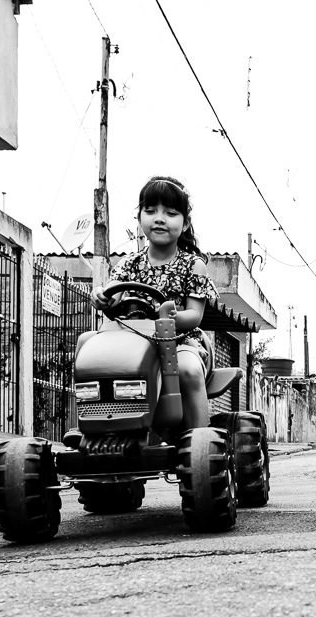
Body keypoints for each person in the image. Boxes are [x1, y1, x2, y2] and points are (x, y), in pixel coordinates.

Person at [91, 175, 217, 431]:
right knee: (91, 355)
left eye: (170, 213)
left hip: (179, 342)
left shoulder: (193, 265)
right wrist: (101, 297)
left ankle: (200, 439)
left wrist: (169, 318)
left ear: (185, 223)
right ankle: (98, 427)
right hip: (132, 343)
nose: (159, 218)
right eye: (150, 211)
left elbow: (194, 315)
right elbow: (113, 295)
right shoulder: (129, 264)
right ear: (139, 218)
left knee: (188, 370)